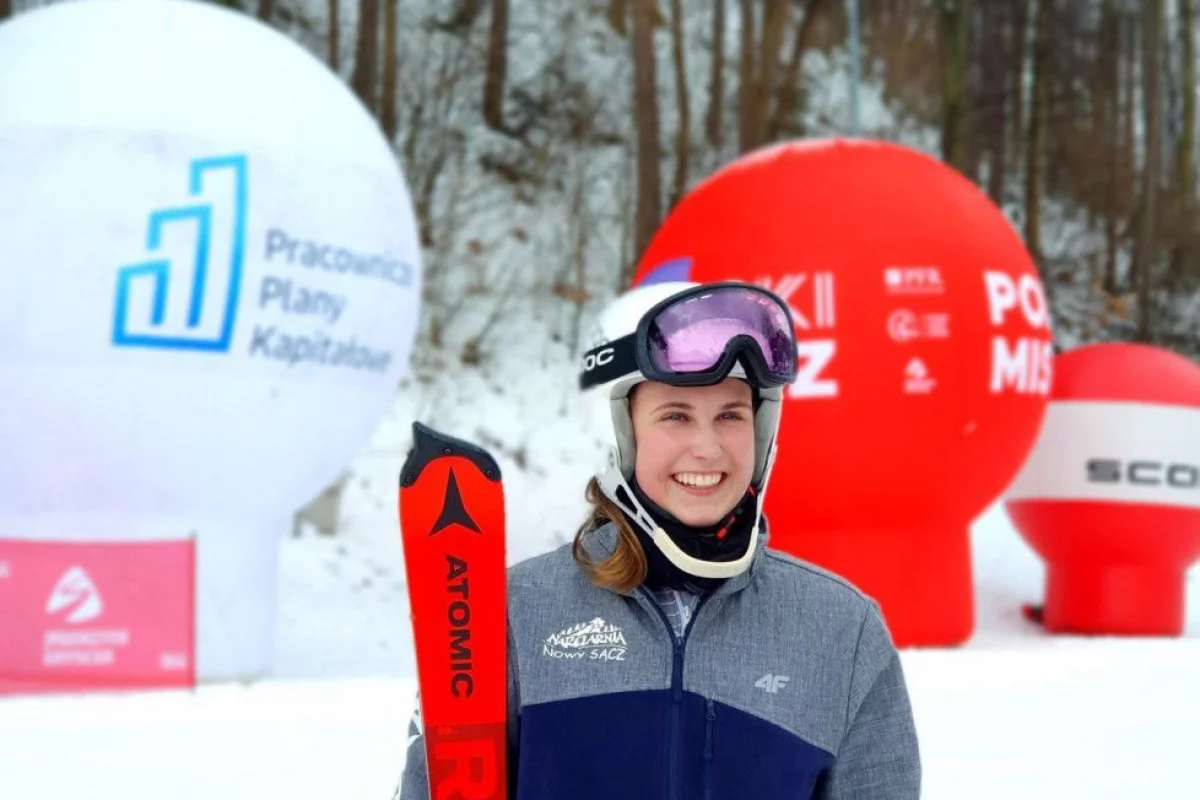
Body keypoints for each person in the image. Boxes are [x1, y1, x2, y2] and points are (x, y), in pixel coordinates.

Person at [396, 280, 921, 800]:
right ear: (616, 432)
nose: (708, 448)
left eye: (731, 416)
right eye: (675, 416)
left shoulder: (840, 631)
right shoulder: (513, 614)